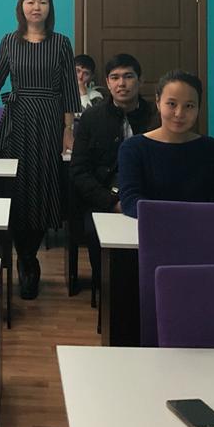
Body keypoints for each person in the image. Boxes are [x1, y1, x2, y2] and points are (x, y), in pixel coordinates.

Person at [0, 0, 79, 299]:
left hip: (49, 121)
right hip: (17, 120)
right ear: (21, 7)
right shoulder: (9, 41)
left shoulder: (61, 43)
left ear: (50, 8)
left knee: (42, 188)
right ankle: (22, 257)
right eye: (30, 1)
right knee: (16, 189)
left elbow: (69, 88)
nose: (36, 7)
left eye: (42, 2)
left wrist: (68, 128)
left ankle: (28, 258)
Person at [69, 53, 158, 284]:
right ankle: (106, 285)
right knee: (95, 234)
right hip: (102, 200)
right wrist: (111, 202)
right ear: (108, 83)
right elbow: (79, 170)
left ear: (140, 80)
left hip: (147, 199)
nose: (122, 83)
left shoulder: (156, 117)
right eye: (115, 77)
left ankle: (148, 284)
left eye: (128, 76)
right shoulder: (91, 118)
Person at [117, 71, 214, 218]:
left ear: (198, 108)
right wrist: (174, 217)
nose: (179, 113)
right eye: (172, 104)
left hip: (204, 226)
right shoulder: (133, 148)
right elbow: (130, 200)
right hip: (151, 226)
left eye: (189, 106)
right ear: (158, 102)